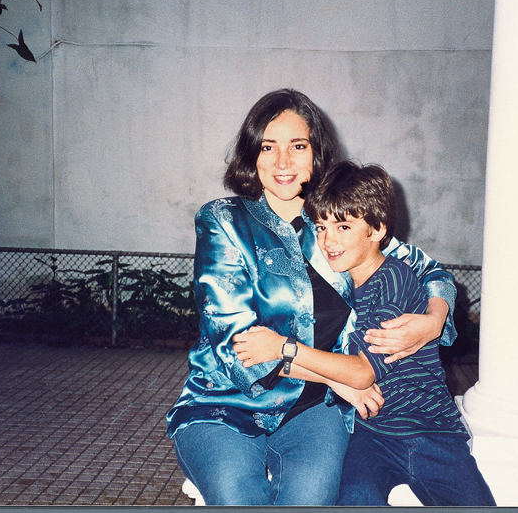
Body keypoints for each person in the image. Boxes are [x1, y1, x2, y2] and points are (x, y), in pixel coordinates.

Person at [165, 89, 459, 506]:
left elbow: (431, 272)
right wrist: (342, 378)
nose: (283, 162)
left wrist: (432, 321)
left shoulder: (337, 220)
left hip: (314, 411)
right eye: (268, 147)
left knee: (311, 499)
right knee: (238, 497)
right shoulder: (223, 220)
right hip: (224, 404)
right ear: (252, 155)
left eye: (297, 146)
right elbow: (238, 345)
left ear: (316, 153)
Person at [233, 160, 496, 507]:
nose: (328, 240)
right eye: (321, 227)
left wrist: (284, 348)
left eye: (343, 227)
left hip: (429, 432)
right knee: (354, 499)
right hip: (372, 434)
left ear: (376, 230)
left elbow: (361, 373)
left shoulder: (392, 279)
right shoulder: (341, 281)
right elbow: (321, 365)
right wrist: (275, 354)